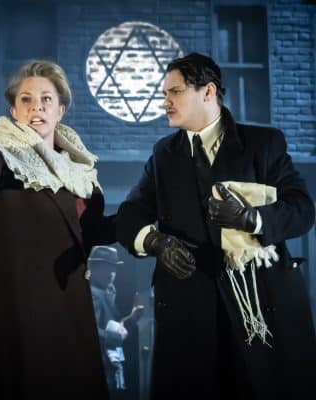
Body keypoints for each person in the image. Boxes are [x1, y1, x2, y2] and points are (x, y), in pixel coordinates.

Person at [116, 52, 316, 399]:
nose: (165, 102)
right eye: (164, 94)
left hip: (257, 308)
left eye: (175, 92)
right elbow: (130, 213)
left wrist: (252, 218)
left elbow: (302, 209)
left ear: (207, 92)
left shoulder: (263, 144)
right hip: (188, 314)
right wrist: (155, 242)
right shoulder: (163, 154)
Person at [0, 60, 116, 400]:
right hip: (18, 303)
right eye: (26, 100)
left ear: (60, 110)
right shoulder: (4, 154)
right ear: (14, 111)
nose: (36, 108)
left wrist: (146, 216)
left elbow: (91, 231)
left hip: (69, 301)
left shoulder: (79, 167)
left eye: (46, 99)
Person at [88, 245, 144, 400]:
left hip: (114, 361)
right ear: (94, 268)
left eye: (113, 268)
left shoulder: (109, 290)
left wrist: (131, 319)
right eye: (106, 268)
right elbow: (90, 330)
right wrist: (114, 337)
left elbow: (112, 323)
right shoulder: (93, 294)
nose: (111, 273)